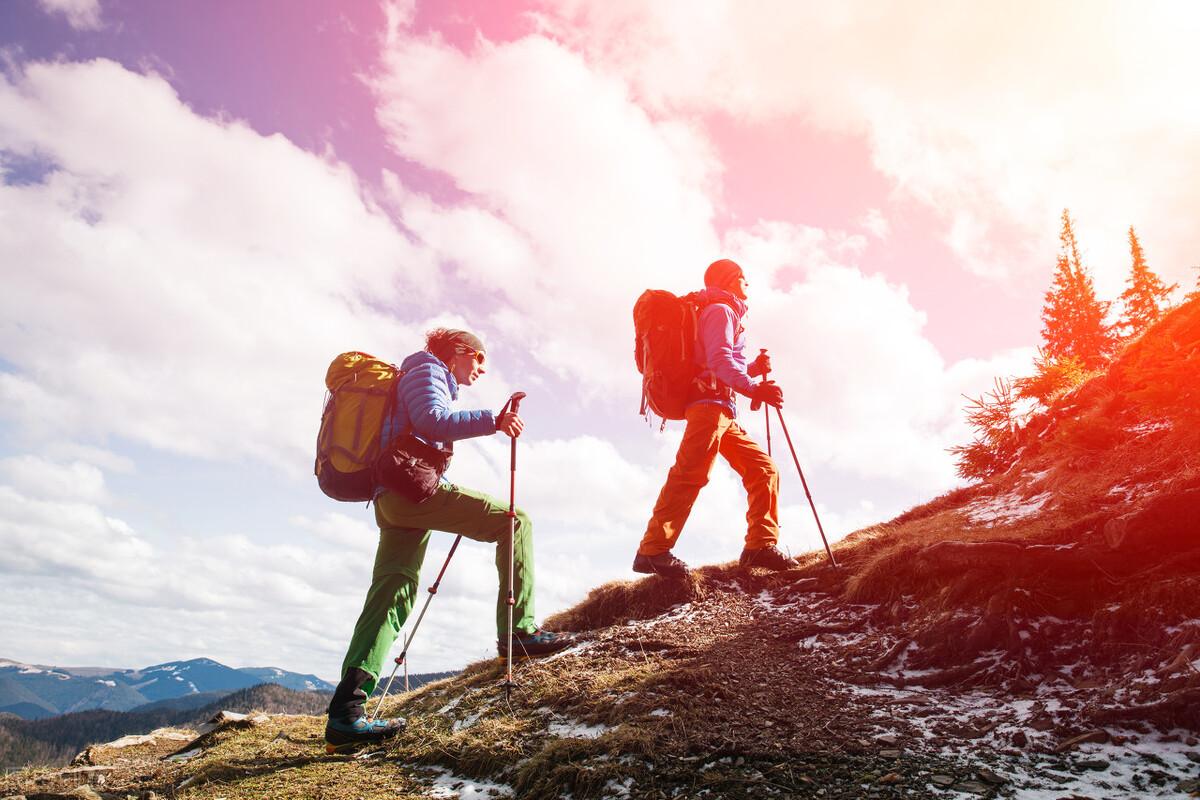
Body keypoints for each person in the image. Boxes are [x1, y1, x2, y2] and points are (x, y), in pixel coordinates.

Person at [325, 328, 572, 749]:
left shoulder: (415, 375)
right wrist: (494, 420)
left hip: (393, 499)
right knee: (515, 522)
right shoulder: (426, 369)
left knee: (392, 593)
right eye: (478, 358)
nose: (481, 368)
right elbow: (431, 420)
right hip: (410, 493)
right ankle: (518, 631)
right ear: (458, 352)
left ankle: (346, 716)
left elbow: (420, 428)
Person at [633, 259, 798, 578]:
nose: (747, 283)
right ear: (730, 279)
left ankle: (759, 547)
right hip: (709, 405)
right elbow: (719, 360)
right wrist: (754, 389)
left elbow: (714, 361)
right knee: (690, 473)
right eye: (743, 277)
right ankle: (652, 550)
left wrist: (751, 370)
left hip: (720, 407)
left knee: (763, 469)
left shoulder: (721, 309)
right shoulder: (720, 309)